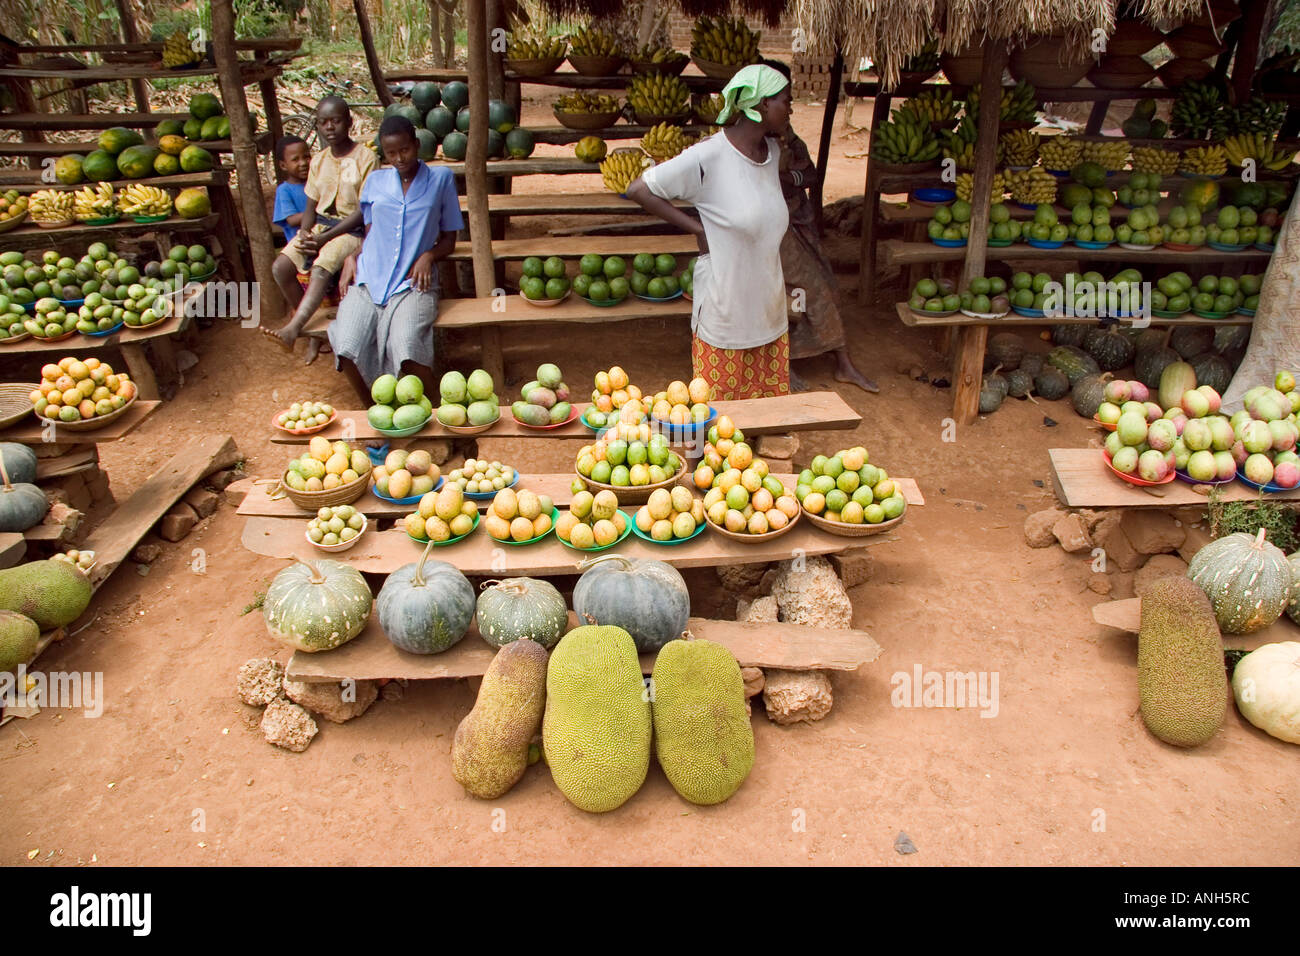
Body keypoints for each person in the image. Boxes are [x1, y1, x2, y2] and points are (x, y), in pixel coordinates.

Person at [625, 63, 793, 401]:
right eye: (786, 101)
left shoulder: (773, 154)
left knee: (767, 425)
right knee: (720, 434)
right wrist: (697, 228)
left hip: (769, 314)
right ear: (761, 105)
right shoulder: (709, 156)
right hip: (725, 316)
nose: (791, 108)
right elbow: (639, 189)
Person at [329, 116, 462, 408]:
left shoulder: (440, 179)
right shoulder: (375, 181)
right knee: (346, 346)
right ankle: (373, 413)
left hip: (413, 284)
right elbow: (370, 232)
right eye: (391, 153)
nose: (399, 158)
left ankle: (438, 413)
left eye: (405, 150)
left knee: (406, 346)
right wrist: (354, 256)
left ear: (416, 145)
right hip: (368, 279)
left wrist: (429, 255)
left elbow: (450, 240)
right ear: (383, 153)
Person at [263, 96, 378, 362]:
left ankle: (293, 329)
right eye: (323, 122)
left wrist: (325, 238)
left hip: (351, 231)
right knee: (280, 267)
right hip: (318, 226)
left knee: (321, 264)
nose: (330, 127)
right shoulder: (319, 161)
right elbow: (311, 204)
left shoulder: (366, 158)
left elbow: (364, 210)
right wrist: (304, 233)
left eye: (335, 121)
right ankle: (312, 330)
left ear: (348, 122)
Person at [776, 117, 879, 394]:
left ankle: (842, 363)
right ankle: (782, 364)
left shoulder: (789, 138)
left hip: (797, 220)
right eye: (783, 101)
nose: (788, 110)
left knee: (828, 286)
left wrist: (788, 176)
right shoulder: (750, 141)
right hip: (771, 230)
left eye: (790, 103)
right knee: (799, 291)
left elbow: (810, 174)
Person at [271, 134, 310, 245]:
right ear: (283, 165)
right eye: (295, 159)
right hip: (300, 244)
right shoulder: (284, 190)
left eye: (306, 157)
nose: (303, 163)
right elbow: (292, 220)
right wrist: (318, 212)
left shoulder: (316, 183)